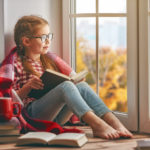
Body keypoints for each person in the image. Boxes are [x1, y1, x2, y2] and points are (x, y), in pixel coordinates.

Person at [12, 15, 133, 140]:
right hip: (33, 116)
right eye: (43, 37)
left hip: (56, 116)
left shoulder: (48, 61)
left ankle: (113, 121)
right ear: (26, 41)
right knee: (66, 86)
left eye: (49, 36)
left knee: (81, 86)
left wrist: (74, 82)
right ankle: (96, 124)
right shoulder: (16, 64)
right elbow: (10, 101)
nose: (48, 41)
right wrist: (27, 87)